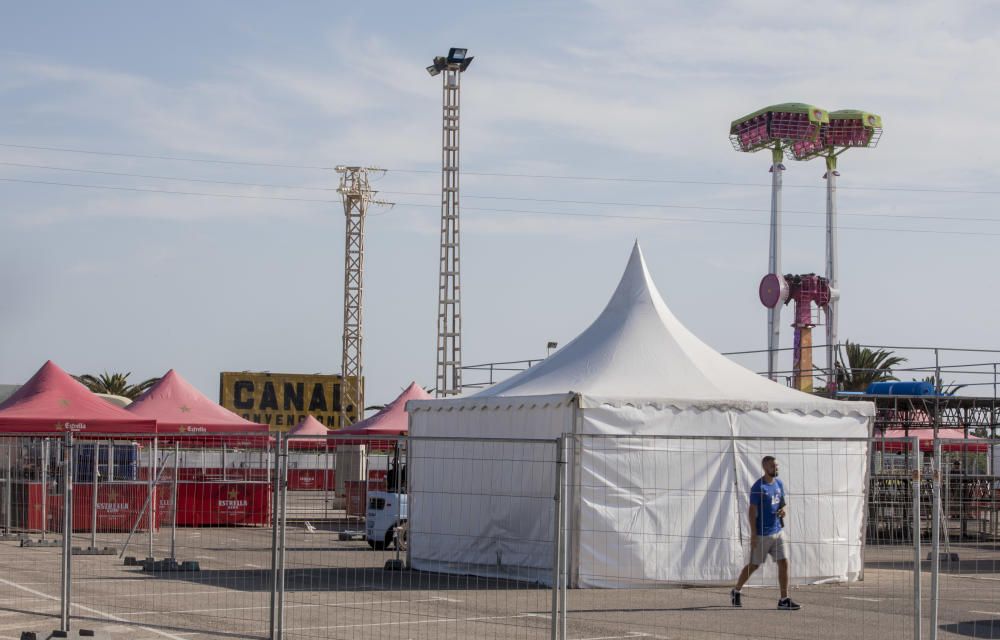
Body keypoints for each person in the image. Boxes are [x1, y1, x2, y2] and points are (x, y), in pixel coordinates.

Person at [730, 455, 800, 610]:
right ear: (765, 468)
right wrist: (754, 534)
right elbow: (751, 511)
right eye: (772, 466)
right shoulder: (758, 487)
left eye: (777, 465)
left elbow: (782, 504)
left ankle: (784, 599)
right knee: (754, 565)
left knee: (784, 562)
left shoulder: (779, 484)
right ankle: (736, 590)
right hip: (762, 534)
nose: (776, 468)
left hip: (778, 531)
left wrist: (783, 511)